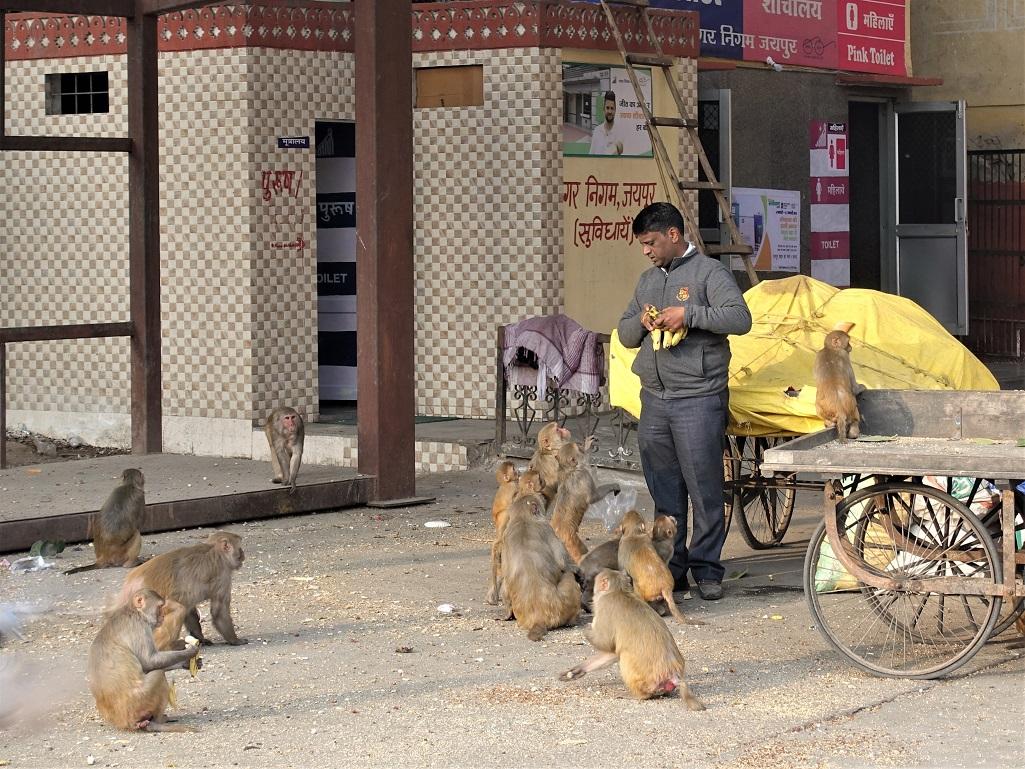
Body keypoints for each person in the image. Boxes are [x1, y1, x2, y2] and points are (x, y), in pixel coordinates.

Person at [616, 202, 752, 601]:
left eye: (651, 242)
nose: (647, 250)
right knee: (664, 491)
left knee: (705, 488)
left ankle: (707, 569)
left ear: (673, 236)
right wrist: (640, 321)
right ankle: (671, 570)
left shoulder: (711, 273)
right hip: (654, 399)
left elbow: (740, 318)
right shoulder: (645, 281)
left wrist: (688, 315)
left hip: (698, 397)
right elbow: (625, 336)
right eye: (642, 245)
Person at [589, 90, 627, 156]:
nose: (609, 111)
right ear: (604, 109)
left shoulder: (620, 132)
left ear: (615, 110)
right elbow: (591, 156)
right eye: (607, 108)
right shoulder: (597, 131)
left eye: (612, 108)